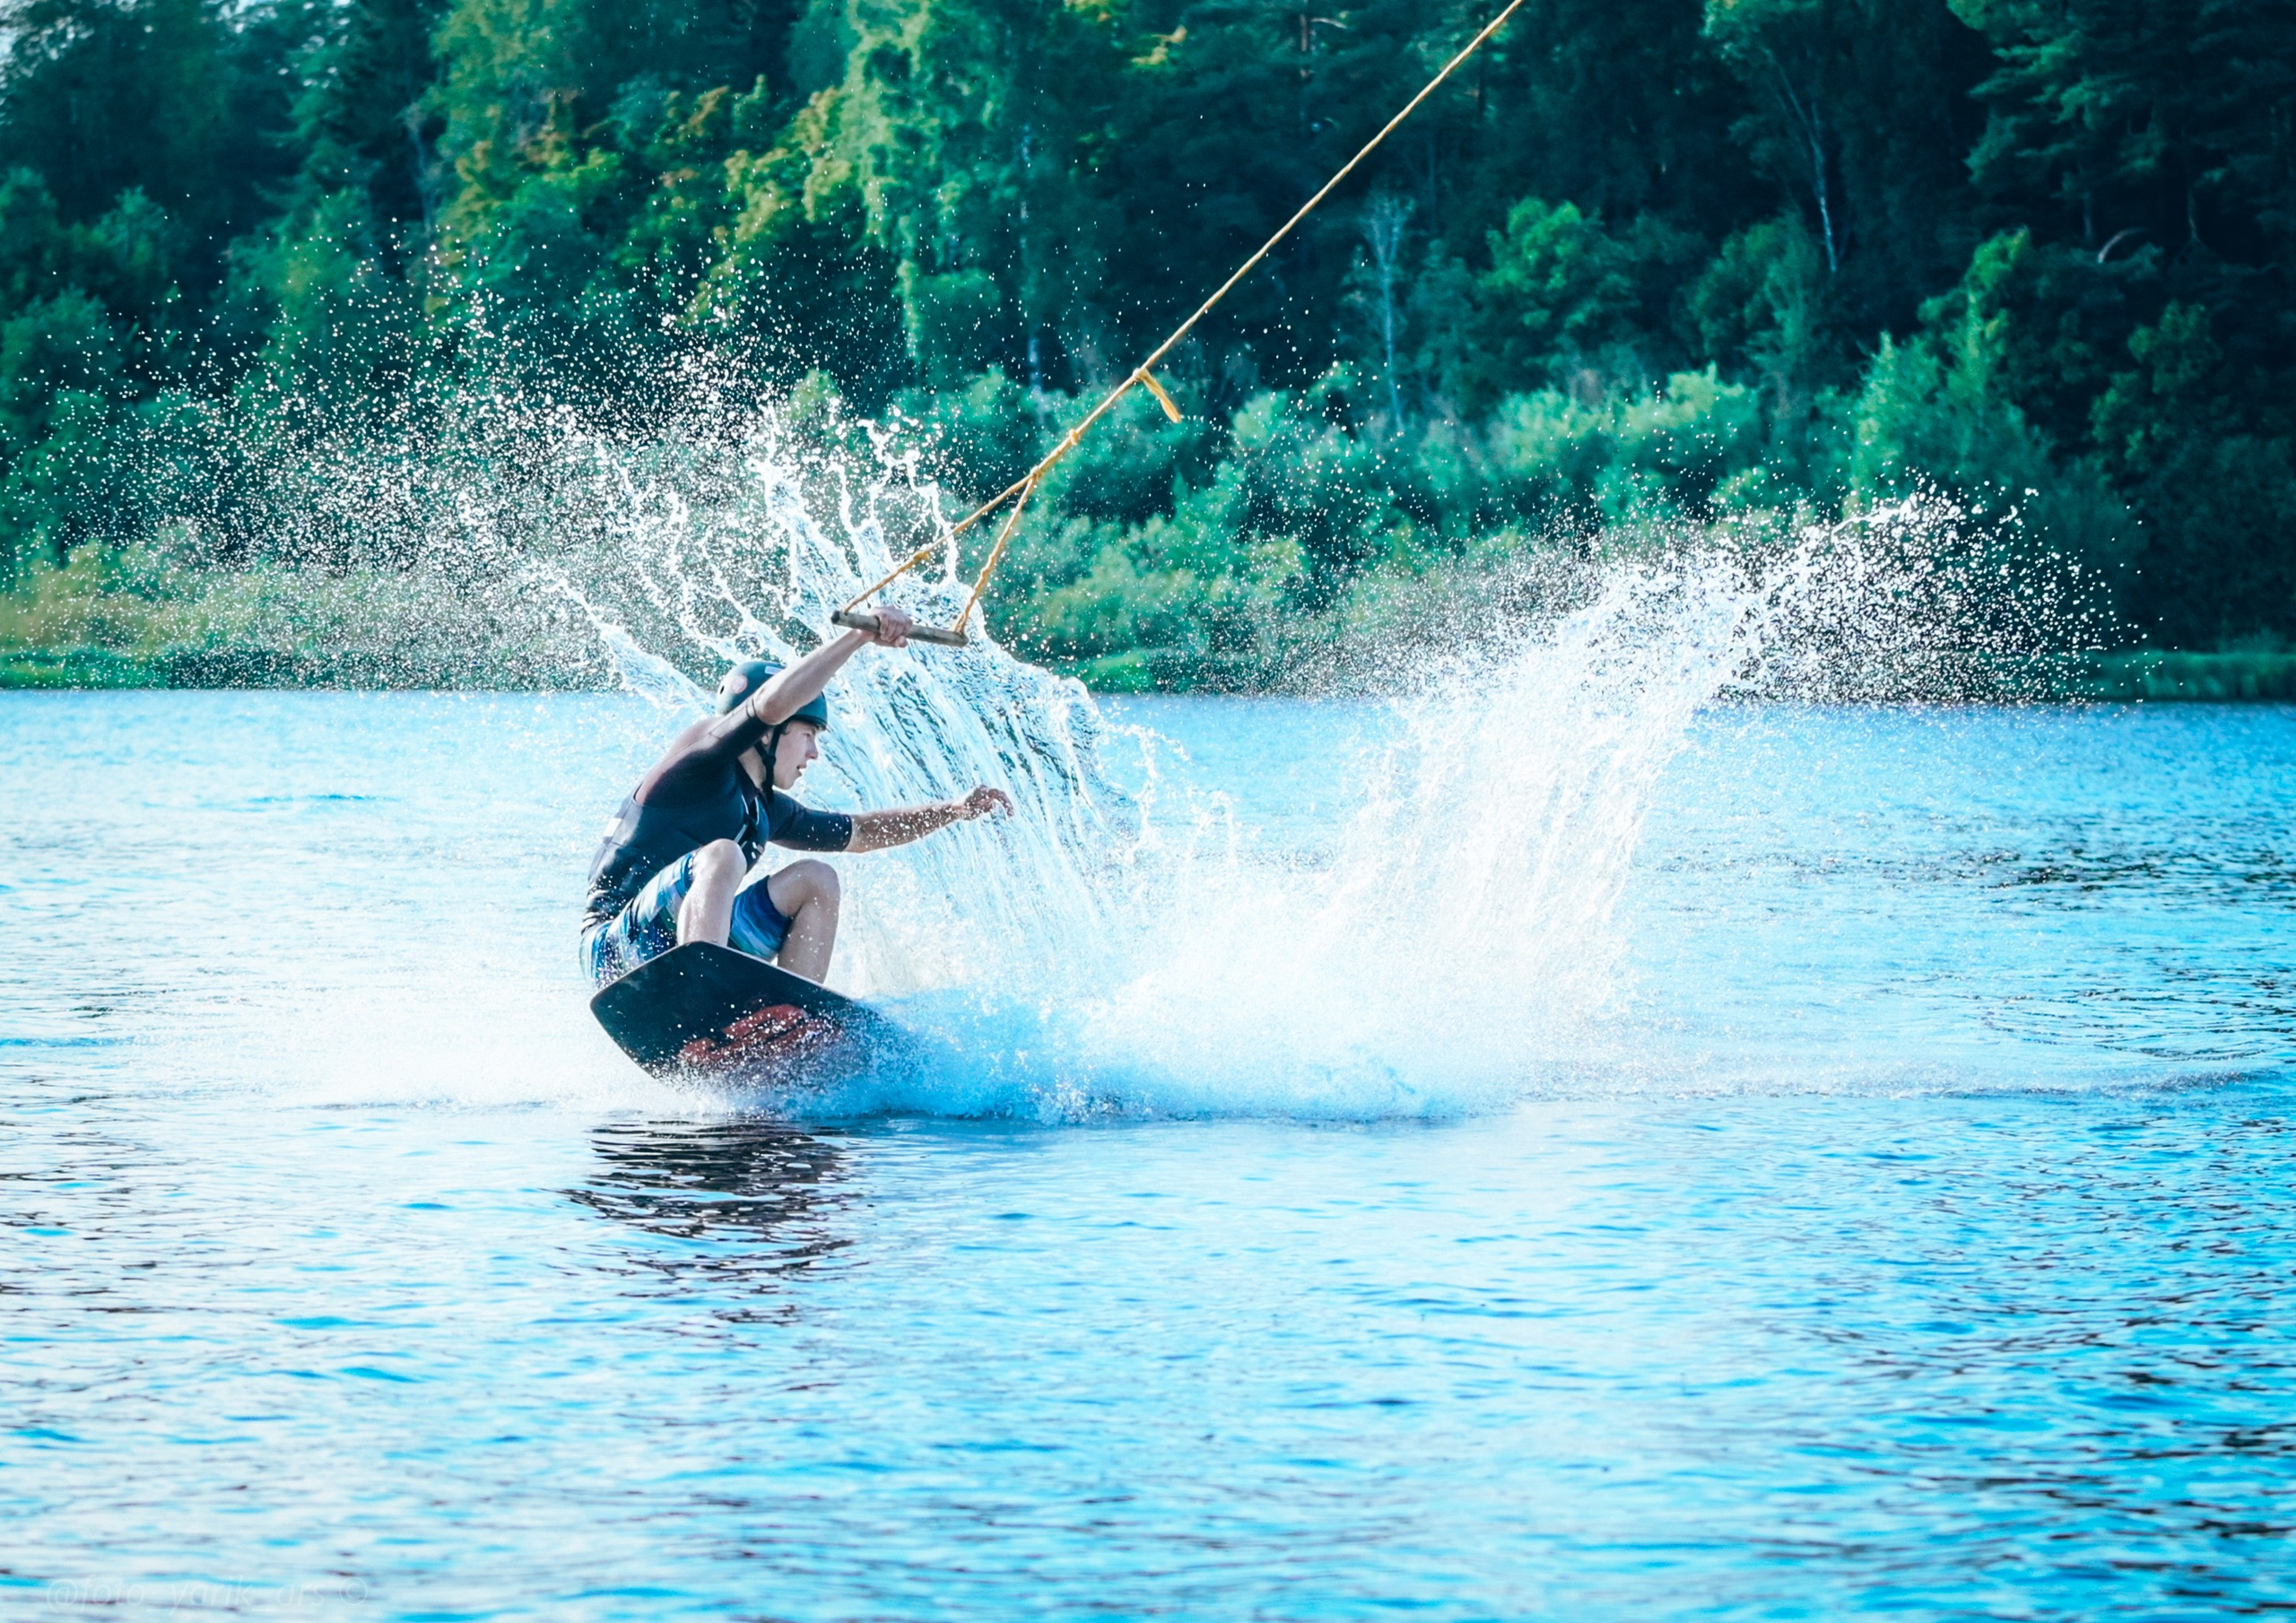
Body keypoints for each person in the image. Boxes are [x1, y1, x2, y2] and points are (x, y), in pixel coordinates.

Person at [581, 607, 1012, 988]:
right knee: (723, 856)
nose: (813, 752)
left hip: (685, 943)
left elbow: (862, 832)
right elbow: (769, 703)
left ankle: (787, 1023)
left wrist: (954, 810)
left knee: (817, 879)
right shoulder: (698, 764)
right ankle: (705, 990)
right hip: (616, 953)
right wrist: (858, 636)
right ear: (768, 733)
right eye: (807, 734)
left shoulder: (763, 808)